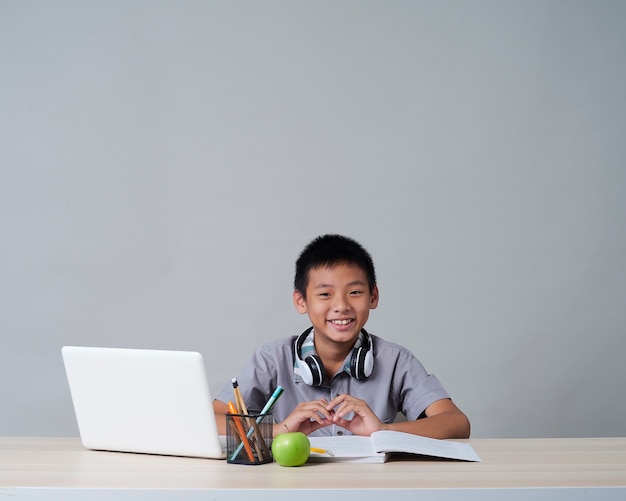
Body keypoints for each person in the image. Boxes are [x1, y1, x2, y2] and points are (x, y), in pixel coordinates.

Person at [213, 234, 470, 439]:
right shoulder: (272, 359)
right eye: (325, 294)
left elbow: (457, 424)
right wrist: (280, 430)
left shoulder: (395, 360)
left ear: (373, 297)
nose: (341, 306)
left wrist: (382, 431)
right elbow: (209, 421)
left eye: (355, 292)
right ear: (301, 301)